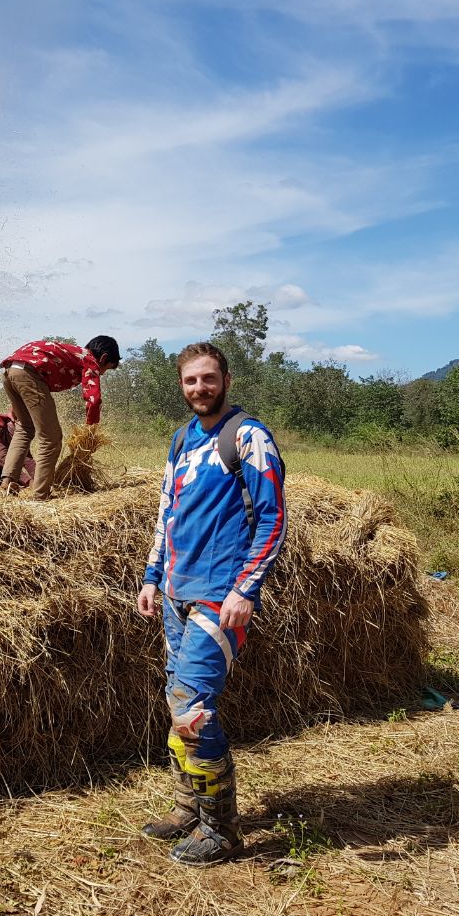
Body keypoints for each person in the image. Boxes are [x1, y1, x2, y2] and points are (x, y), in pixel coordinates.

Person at [136, 342, 287, 865]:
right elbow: (167, 514)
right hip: (176, 592)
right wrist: (152, 576)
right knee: (177, 701)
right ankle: (189, 807)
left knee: (193, 707)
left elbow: (272, 518)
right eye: (189, 381)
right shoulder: (181, 439)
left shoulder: (247, 436)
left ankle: (222, 831)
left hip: (218, 596)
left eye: (207, 378)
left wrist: (245, 588)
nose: (199, 388)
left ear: (225, 379)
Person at [0, 336, 120, 500]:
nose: (101, 373)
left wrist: (18, 405)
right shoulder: (90, 360)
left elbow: (25, 379)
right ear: (103, 358)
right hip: (28, 374)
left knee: (25, 428)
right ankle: (40, 495)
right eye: (106, 369)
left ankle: (7, 482)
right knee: (51, 438)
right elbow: (94, 399)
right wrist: (91, 428)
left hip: (9, 371)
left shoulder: (72, 353)